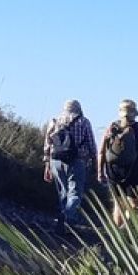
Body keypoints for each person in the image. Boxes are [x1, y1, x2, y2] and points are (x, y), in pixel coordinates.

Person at [42, 99, 96, 232]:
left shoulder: (54, 121)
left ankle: (62, 221)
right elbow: (91, 144)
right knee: (75, 193)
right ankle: (68, 219)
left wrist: (47, 165)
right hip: (76, 160)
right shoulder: (83, 122)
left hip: (56, 160)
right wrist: (94, 162)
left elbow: (47, 145)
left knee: (63, 192)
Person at [98, 99, 138, 225]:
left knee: (118, 204)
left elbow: (101, 152)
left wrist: (100, 172)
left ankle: (118, 230)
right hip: (134, 171)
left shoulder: (111, 128)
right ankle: (127, 227)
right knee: (134, 204)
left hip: (113, 172)